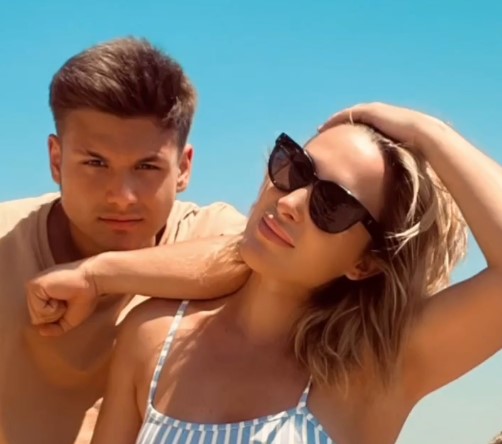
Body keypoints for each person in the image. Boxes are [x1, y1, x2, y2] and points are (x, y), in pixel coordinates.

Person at [40, 102, 501, 443]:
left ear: (363, 263)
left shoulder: (373, 371)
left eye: (332, 205)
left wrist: (427, 132)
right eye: (294, 168)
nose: (290, 201)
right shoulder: (152, 336)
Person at [0, 37, 248, 444]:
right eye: (95, 163)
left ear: (184, 168)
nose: (122, 196)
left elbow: (251, 255)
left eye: (147, 167)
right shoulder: (5, 240)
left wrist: (97, 275)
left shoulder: (206, 231)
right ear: (56, 160)